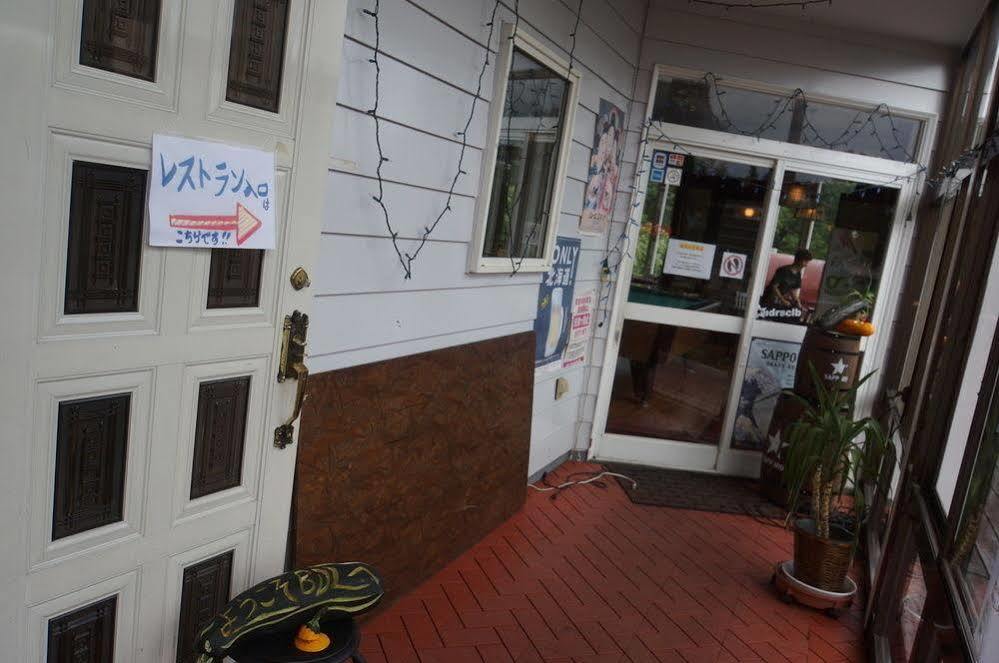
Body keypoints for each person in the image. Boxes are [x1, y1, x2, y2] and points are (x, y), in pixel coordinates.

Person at [761, 249, 812, 318]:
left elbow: (793, 291)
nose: (806, 265)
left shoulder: (798, 274)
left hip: (778, 304)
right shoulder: (783, 270)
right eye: (805, 261)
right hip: (769, 301)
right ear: (799, 260)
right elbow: (774, 286)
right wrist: (783, 300)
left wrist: (798, 304)